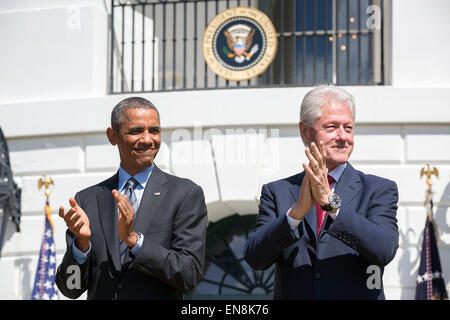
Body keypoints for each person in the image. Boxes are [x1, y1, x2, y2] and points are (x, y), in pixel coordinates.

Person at [244, 85, 399, 299]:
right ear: (305, 131)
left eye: (348, 127)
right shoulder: (277, 192)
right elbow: (255, 258)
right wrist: (296, 214)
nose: (343, 136)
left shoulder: (378, 189)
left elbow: (383, 251)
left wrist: (331, 205)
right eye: (332, 127)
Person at [55, 97, 208, 300]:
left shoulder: (185, 194)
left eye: (154, 130)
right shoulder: (88, 199)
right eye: (136, 131)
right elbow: (70, 289)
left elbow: (190, 275)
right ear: (113, 136)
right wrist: (81, 245)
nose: (147, 139)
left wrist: (135, 242)